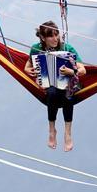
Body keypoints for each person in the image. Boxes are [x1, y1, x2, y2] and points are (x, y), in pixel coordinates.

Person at [24, 20, 86, 152]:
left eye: (56, 34)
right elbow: (27, 67)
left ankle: (67, 133)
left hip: (68, 83)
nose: (55, 38)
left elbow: (83, 70)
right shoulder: (36, 49)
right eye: (51, 36)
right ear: (43, 38)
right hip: (49, 85)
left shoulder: (67, 49)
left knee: (68, 95)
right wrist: (28, 71)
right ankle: (52, 130)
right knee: (51, 93)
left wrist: (72, 71)